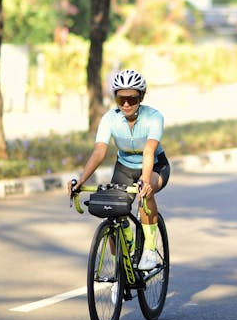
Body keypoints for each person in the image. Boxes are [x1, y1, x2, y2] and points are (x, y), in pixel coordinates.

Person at [68, 69, 170, 270]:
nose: (125, 104)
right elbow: (99, 152)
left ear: (140, 97)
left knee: (145, 195)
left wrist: (145, 180)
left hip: (155, 165)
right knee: (112, 210)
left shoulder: (154, 117)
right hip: (124, 168)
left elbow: (149, 151)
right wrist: (81, 181)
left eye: (131, 99)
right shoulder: (109, 119)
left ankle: (149, 250)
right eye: (120, 99)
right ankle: (121, 267)